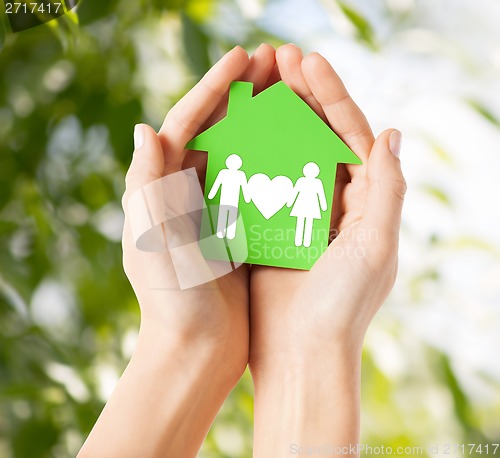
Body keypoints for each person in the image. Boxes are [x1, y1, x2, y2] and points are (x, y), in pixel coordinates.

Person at [78, 43, 405, 457]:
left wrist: (306, 349)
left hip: (292, 218)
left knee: (293, 224)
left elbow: (292, 193)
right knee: (248, 217)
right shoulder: (233, 176)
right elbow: (221, 188)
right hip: (236, 218)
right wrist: (186, 335)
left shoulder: (298, 180)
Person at [208, 153, 250, 239]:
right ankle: (220, 232)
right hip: (224, 198)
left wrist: (247, 197)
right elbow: (217, 184)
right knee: (223, 214)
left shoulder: (240, 174)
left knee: (232, 216)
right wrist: (211, 194)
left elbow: (244, 187)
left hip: (234, 199)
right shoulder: (223, 173)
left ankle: (230, 233)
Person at [287, 161, 327, 247]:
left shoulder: (317, 182)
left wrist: (323, 206)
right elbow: (295, 192)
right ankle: (298, 241)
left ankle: (307, 242)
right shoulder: (301, 181)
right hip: (301, 203)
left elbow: (321, 194)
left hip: (312, 205)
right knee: (300, 222)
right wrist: (290, 202)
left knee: (309, 223)